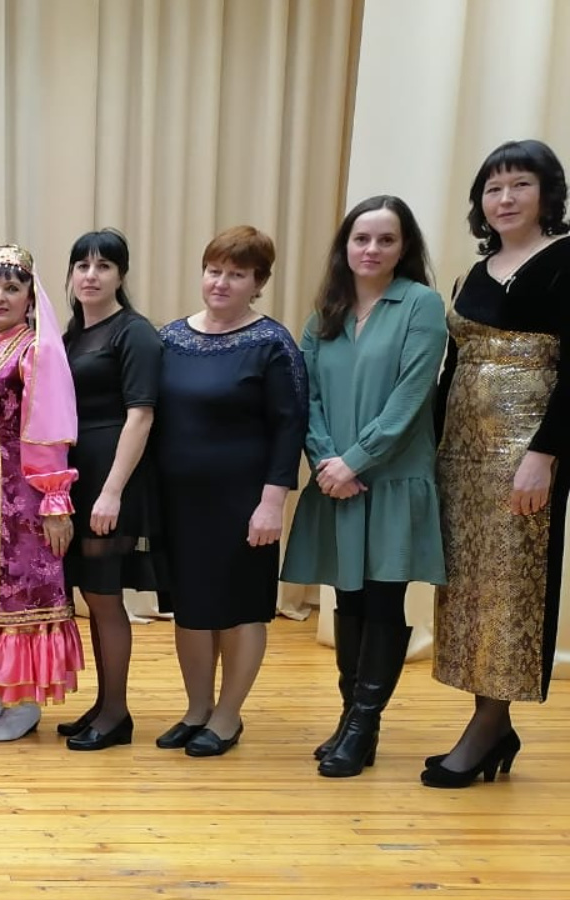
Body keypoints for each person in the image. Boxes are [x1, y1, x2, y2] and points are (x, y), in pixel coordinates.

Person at [280, 197, 447, 778]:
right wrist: (328, 461)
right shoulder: (323, 315)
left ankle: (364, 725)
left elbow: (411, 397)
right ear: (345, 247)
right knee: (346, 598)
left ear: (404, 248)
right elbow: (307, 399)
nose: (371, 249)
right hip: (337, 483)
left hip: (391, 480)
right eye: (361, 238)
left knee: (381, 599)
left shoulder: (422, 305)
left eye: (385, 239)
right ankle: (350, 717)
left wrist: (354, 461)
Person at [425, 139, 570, 788]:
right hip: (461, 458)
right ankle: (490, 723)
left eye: (520, 185)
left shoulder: (565, 260)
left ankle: (488, 726)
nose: (505, 198)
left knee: (512, 590)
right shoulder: (473, 273)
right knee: (470, 591)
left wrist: (543, 454)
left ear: (548, 194)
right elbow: (449, 372)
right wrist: (427, 453)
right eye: (493, 188)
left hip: (524, 455)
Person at [155, 226, 306, 757]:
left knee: (240, 608)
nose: (221, 282)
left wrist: (272, 502)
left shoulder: (272, 344)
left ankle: (227, 714)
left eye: (236, 274)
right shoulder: (171, 338)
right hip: (181, 502)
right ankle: (197, 708)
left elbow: (290, 427)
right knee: (191, 607)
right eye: (214, 270)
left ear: (258, 282)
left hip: (244, 502)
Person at [0, 243, 84, 742]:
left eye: (12, 288)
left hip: (24, 497)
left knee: (22, 597)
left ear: (30, 297)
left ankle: (25, 702)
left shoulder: (37, 351)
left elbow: (49, 429)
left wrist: (54, 501)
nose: (0, 297)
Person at [57, 229, 163, 752]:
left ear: (121, 275)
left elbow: (141, 416)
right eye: (83, 265)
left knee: (104, 595)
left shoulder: (134, 333)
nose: (91, 275)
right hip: (76, 477)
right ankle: (104, 704)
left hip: (110, 477)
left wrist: (112, 491)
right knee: (91, 597)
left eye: (103, 266)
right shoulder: (72, 334)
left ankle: (117, 713)